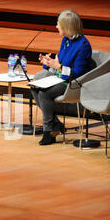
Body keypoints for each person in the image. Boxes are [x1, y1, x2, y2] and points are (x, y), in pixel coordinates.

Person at [31, 9, 93, 145]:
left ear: (67, 26)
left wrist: (57, 66)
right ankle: (56, 125)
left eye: (58, 24)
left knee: (43, 93)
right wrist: (49, 63)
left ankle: (49, 131)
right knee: (34, 87)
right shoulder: (66, 40)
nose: (56, 26)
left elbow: (78, 73)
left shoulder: (83, 45)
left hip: (74, 83)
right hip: (61, 78)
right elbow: (61, 61)